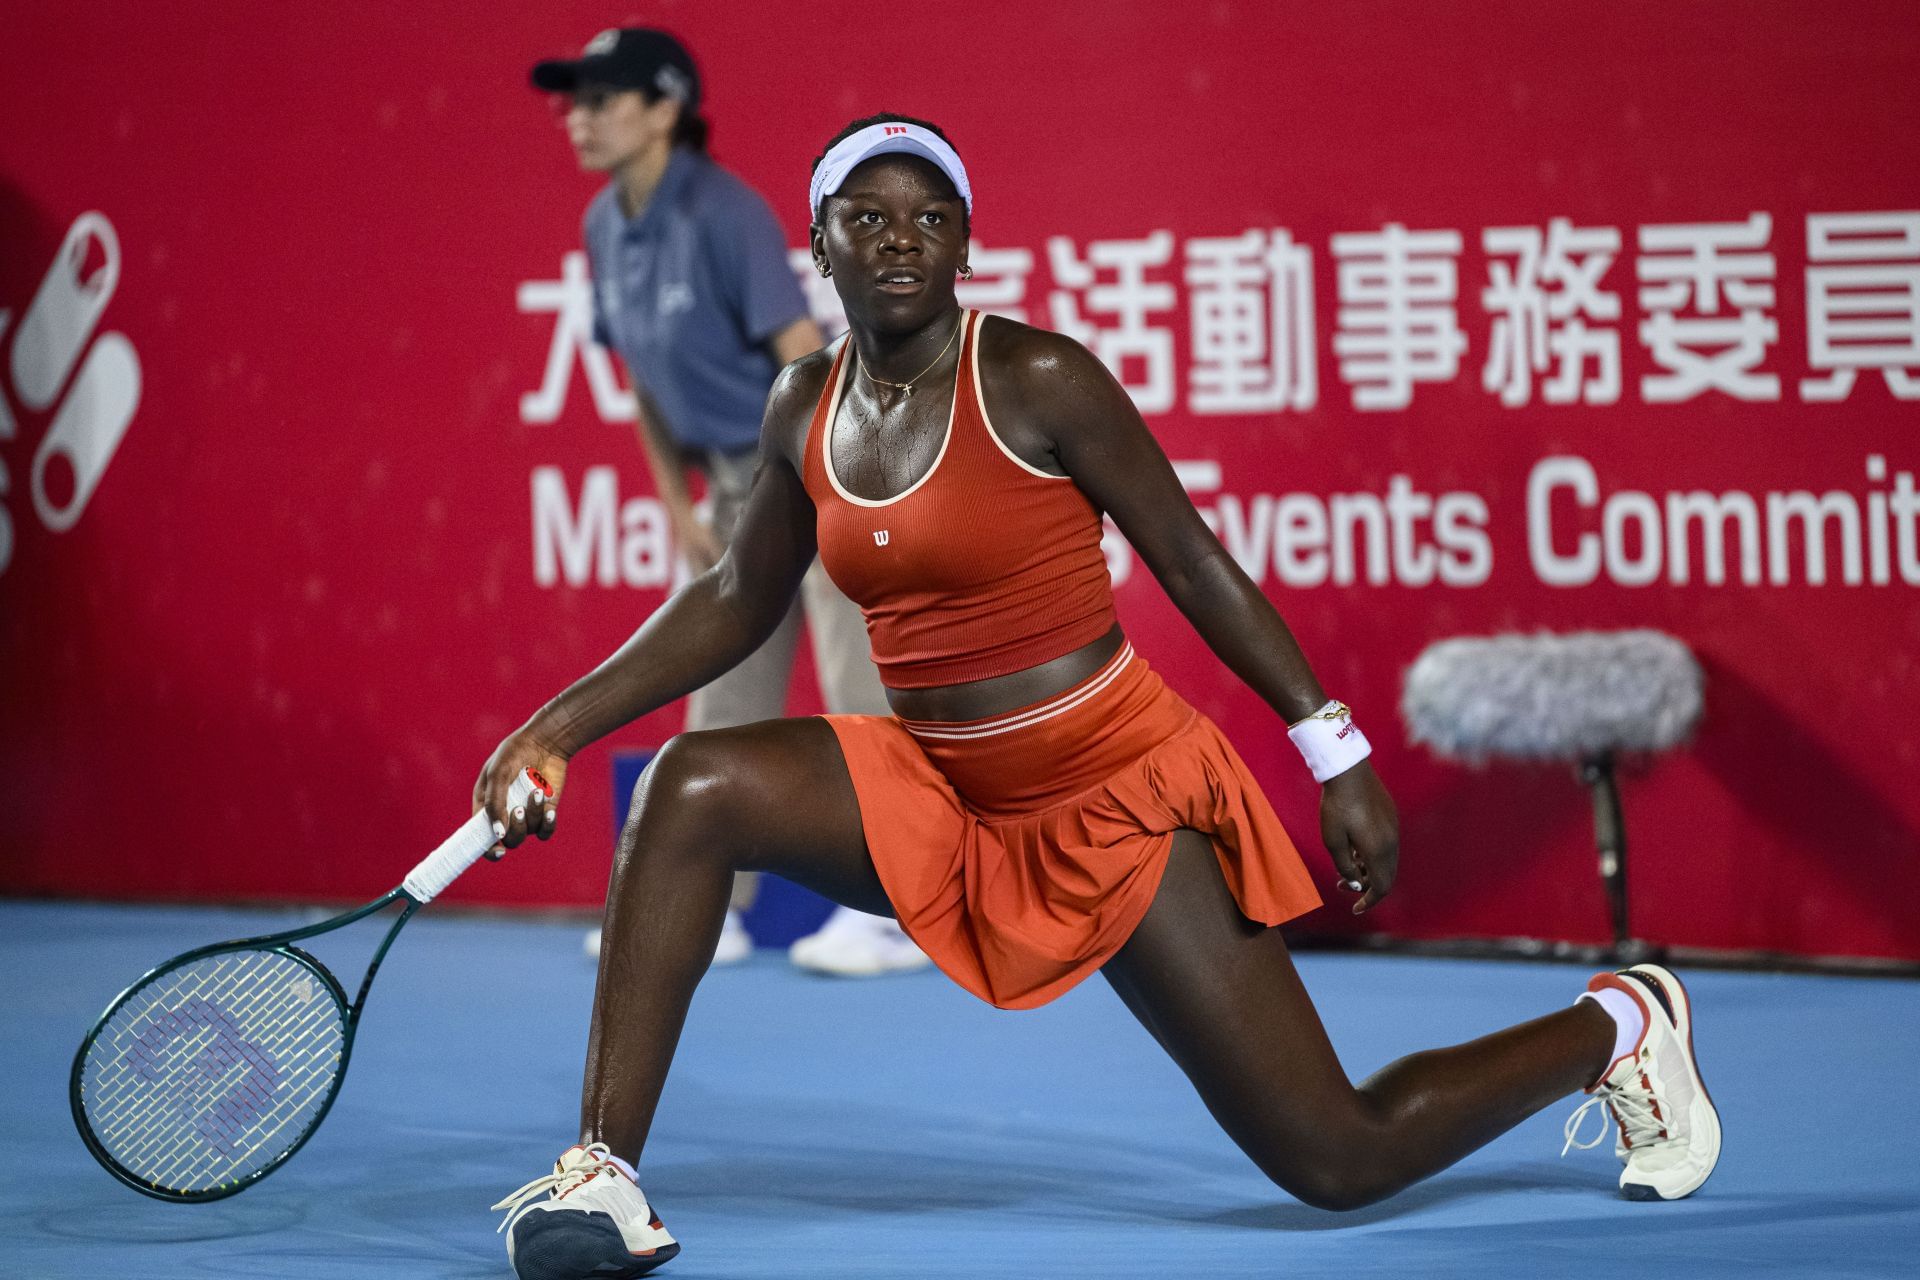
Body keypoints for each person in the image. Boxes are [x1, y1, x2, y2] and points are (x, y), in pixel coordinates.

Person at [479, 115, 1722, 1279]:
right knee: (693, 787)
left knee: (1340, 1155)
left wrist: (1333, 749)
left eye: (929, 214)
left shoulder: (1038, 376)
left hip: (1112, 798)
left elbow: (1195, 561)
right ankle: (604, 1174)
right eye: (867, 215)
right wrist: (558, 725)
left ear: (967, 242)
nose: (900, 236)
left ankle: (1617, 1024)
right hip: (937, 785)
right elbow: (738, 595)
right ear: (819, 244)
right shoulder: (803, 403)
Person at [529, 29, 927, 975]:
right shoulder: (601, 225)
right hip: (731, 476)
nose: (577, 116)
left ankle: (894, 909)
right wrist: (680, 501)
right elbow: (645, 378)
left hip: (821, 456)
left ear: (666, 108)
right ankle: (720, 907)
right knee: (721, 694)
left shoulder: (724, 213)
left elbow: (803, 351)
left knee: (858, 689)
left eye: (603, 97)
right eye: (572, 98)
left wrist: (821, 483)